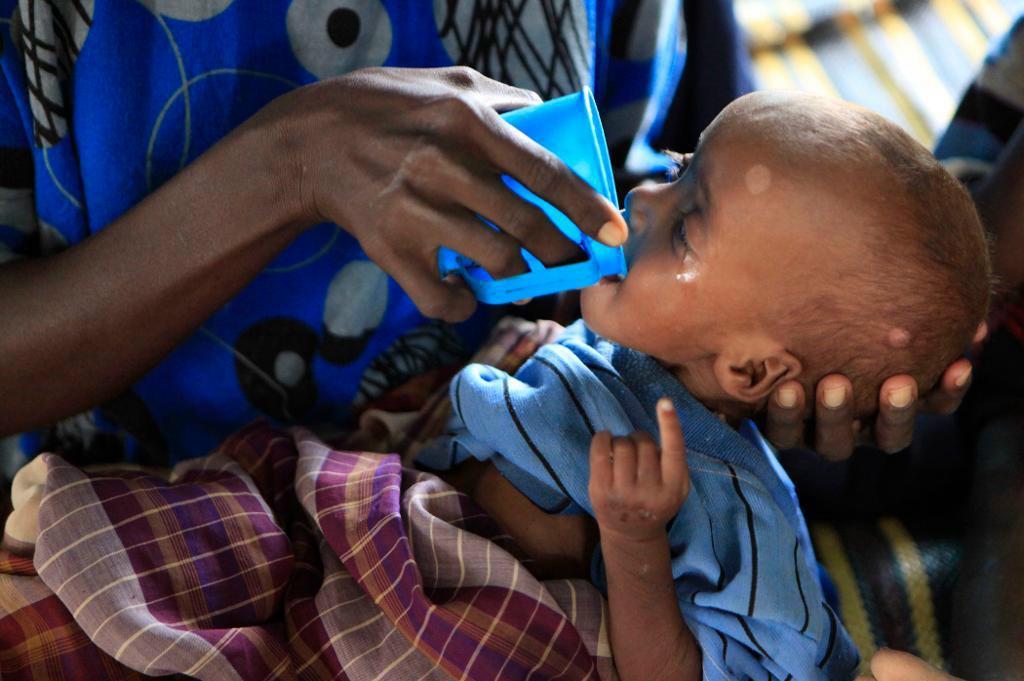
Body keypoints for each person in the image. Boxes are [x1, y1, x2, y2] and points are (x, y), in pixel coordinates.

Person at [0, 1, 967, 475]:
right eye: (672, 178)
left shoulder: (646, 446)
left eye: (682, 191)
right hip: (128, 472)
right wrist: (283, 167)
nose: (636, 193)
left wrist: (793, 293)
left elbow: (729, 117)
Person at [419, 91, 990, 680]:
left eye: (685, 229)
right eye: (679, 170)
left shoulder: (733, 518)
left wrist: (634, 542)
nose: (641, 199)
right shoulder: (614, 351)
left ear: (749, 372)